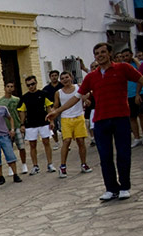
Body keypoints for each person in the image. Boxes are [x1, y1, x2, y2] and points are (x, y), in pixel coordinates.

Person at [48, 42, 143, 201]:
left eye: (103, 52)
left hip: (120, 117)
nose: (99, 55)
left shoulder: (123, 68)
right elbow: (76, 97)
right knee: (105, 156)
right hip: (100, 120)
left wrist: (139, 94)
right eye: (97, 53)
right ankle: (111, 189)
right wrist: (57, 111)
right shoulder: (92, 77)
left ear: (110, 53)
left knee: (123, 153)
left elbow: (140, 79)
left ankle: (124, 187)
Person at [53, 71, 91, 177]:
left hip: (79, 117)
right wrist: (52, 117)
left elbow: (83, 96)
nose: (65, 80)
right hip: (66, 118)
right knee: (67, 141)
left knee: (81, 141)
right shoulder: (58, 92)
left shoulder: (78, 87)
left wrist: (86, 100)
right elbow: (56, 106)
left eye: (66, 77)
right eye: (62, 78)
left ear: (71, 78)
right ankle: (63, 166)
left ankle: (84, 164)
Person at [18, 75, 55, 175]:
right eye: (28, 85)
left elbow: (49, 107)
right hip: (30, 124)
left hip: (43, 122)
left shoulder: (44, 94)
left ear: (36, 83)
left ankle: (50, 164)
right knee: (32, 145)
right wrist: (22, 124)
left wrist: (51, 121)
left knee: (46, 142)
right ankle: (35, 166)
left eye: (32, 84)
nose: (31, 86)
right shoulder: (24, 97)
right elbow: (22, 112)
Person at [0, 82, 28, 175]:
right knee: (8, 149)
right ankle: (11, 167)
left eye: (11, 87)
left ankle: (24, 164)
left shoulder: (17, 100)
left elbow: (21, 112)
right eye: (8, 87)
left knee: (21, 147)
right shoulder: (0, 102)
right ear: (5, 88)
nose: (10, 88)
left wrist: (22, 124)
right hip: (6, 128)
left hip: (17, 125)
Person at [121, 48, 143, 147]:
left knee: (141, 115)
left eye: (127, 55)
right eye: (123, 56)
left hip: (139, 92)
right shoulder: (122, 67)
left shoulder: (137, 64)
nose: (126, 58)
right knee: (132, 117)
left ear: (131, 55)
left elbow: (140, 72)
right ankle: (137, 138)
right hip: (128, 95)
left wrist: (136, 61)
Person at [42, 70, 64, 149]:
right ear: (50, 77)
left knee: (62, 127)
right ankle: (57, 142)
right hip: (51, 110)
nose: (54, 77)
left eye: (55, 75)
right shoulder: (46, 89)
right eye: (52, 76)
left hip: (62, 109)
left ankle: (65, 143)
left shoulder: (62, 85)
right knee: (53, 127)